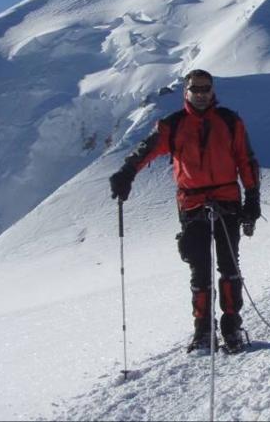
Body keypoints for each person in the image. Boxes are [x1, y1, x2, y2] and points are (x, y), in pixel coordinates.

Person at [109, 69, 261, 353]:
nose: (201, 94)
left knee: (229, 267)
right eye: (196, 89)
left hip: (226, 201)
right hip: (192, 205)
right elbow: (146, 149)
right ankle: (203, 331)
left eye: (206, 89)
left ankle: (231, 327)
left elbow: (246, 159)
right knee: (199, 270)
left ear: (213, 91)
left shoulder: (230, 121)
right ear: (186, 91)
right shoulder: (172, 125)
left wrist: (252, 196)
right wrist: (127, 172)